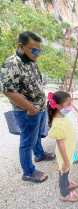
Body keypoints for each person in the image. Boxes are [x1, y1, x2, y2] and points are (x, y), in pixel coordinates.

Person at [0, 31, 55, 183]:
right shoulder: (12, 63)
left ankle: (39, 154)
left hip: (39, 107)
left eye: (39, 50)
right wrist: (31, 108)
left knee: (36, 135)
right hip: (27, 112)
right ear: (21, 47)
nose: (37, 53)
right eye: (34, 49)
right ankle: (28, 172)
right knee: (27, 141)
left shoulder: (30, 60)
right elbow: (8, 91)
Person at [47, 91, 78, 202]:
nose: (71, 106)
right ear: (59, 106)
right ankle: (64, 194)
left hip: (68, 150)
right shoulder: (58, 122)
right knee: (63, 172)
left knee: (66, 170)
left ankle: (67, 183)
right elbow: (60, 144)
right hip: (63, 154)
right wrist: (65, 161)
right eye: (68, 104)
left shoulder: (62, 115)